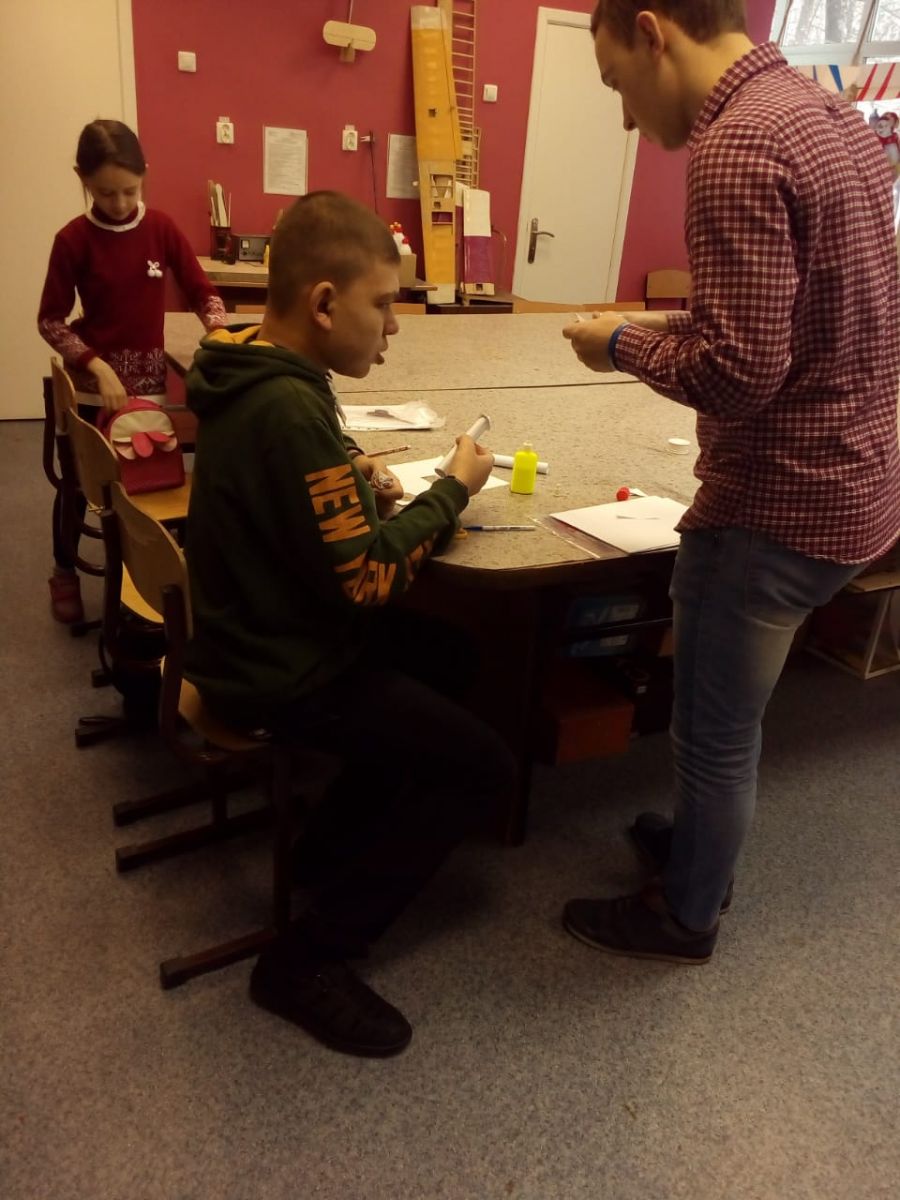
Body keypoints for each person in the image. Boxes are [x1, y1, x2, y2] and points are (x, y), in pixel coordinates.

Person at [561, 1, 900, 963]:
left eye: (617, 83)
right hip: (855, 487)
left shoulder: (737, 146)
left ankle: (685, 913)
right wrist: (649, 327)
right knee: (727, 718)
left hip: (774, 505)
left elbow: (739, 374)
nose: (625, 115)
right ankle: (701, 851)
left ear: (652, 33)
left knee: (714, 730)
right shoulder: (826, 115)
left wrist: (619, 345)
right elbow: (793, 320)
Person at [183, 190, 516, 1057]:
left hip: (257, 629)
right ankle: (306, 961)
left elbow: (297, 491)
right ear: (326, 303)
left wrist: (348, 471)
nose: (394, 328)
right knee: (482, 767)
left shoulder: (253, 367)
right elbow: (368, 578)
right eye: (384, 304)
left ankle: (327, 848)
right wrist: (453, 490)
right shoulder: (289, 408)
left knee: (451, 653)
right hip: (279, 667)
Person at [38, 119, 227, 623]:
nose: (119, 203)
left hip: (147, 394)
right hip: (94, 394)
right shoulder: (73, 240)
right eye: (105, 192)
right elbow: (50, 320)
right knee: (82, 486)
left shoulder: (161, 228)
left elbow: (203, 291)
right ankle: (63, 570)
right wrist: (95, 365)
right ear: (82, 179)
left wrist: (218, 331)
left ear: (145, 174)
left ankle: (144, 584)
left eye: (129, 190)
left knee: (147, 484)